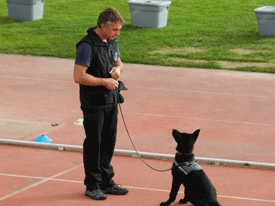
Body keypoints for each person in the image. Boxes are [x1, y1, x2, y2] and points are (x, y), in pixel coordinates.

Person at [73, 7, 128, 201]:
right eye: (114, 30)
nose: (117, 33)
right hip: (93, 103)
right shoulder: (86, 46)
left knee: (108, 142)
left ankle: (106, 180)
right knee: (94, 143)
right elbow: (78, 76)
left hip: (111, 100)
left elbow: (119, 62)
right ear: (103, 27)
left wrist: (118, 70)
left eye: (119, 30)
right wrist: (104, 81)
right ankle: (93, 184)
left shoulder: (111, 41)